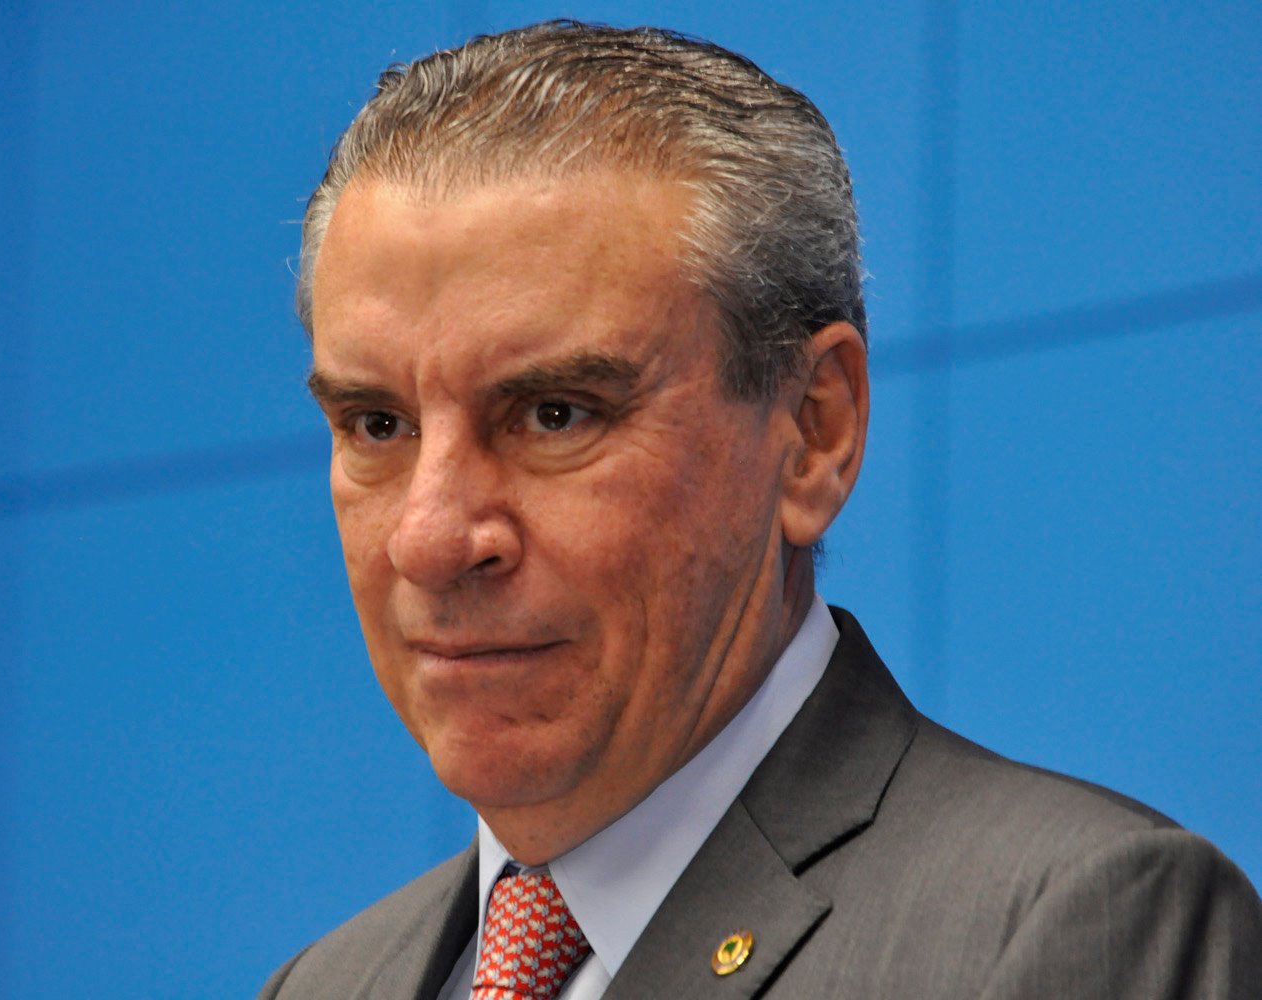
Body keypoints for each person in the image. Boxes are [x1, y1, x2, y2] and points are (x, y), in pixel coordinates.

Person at [260, 20, 1262, 999]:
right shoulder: (323, 984)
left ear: (813, 433)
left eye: (556, 414)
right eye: (378, 425)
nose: (430, 539)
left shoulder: (1074, 931)